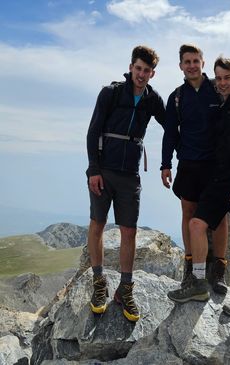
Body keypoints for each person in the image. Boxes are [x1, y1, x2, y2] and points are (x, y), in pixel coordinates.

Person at [168, 56, 230, 318]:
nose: (222, 82)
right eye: (218, 77)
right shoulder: (226, 107)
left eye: (227, 78)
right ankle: (198, 282)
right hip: (220, 181)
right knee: (197, 224)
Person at [86, 45, 165, 321]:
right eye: (138, 68)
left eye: (147, 71)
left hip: (130, 174)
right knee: (97, 224)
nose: (141, 74)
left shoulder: (153, 99)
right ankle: (99, 283)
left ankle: (125, 289)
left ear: (152, 73)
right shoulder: (111, 93)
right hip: (103, 171)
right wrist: (93, 169)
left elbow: (174, 127)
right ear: (131, 67)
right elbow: (93, 130)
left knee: (129, 231)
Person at [161, 44, 228, 294]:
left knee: (220, 217)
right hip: (188, 164)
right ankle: (191, 269)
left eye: (195, 61)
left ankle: (218, 270)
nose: (191, 65)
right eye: (187, 61)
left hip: (216, 165)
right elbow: (170, 133)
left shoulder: (217, 90)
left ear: (203, 63)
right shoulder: (177, 96)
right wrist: (165, 164)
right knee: (188, 214)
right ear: (180, 65)